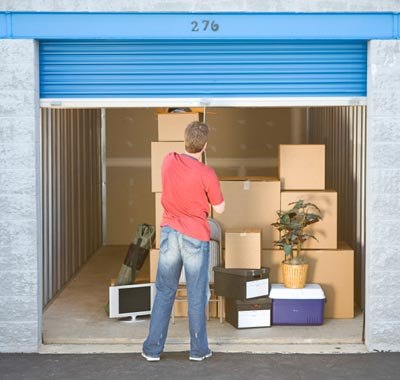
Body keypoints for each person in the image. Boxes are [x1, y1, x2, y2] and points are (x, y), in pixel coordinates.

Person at [142, 121, 225, 362]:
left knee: (165, 291)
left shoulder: (169, 160)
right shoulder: (207, 173)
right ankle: (198, 350)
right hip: (195, 237)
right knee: (197, 294)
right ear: (205, 146)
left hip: (169, 233)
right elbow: (219, 207)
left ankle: (152, 349)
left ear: (185, 141)